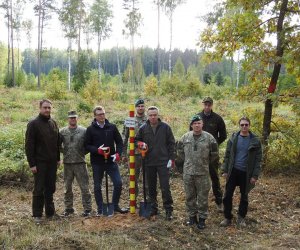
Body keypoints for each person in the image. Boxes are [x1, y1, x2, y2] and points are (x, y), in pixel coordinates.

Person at [85, 106, 128, 215]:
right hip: (97, 162)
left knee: (118, 183)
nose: (102, 116)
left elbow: (119, 142)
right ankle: (100, 208)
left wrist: (118, 153)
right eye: (99, 114)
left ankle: (115, 205)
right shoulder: (90, 129)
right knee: (97, 186)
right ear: (95, 116)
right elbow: (86, 145)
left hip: (111, 161)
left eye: (103, 113)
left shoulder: (112, 127)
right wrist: (97, 150)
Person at [177, 115, 219, 229]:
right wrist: (182, 166)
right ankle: (192, 218)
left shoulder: (209, 138)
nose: (197, 125)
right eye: (194, 123)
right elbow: (179, 152)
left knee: (202, 198)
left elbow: (215, 154)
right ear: (191, 125)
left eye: (199, 123)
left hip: (203, 173)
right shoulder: (185, 137)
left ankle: (202, 219)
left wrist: (205, 163)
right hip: (188, 173)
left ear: (202, 124)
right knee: (190, 196)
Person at [220, 117, 262, 227]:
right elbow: (227, 155)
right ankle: (227, 217)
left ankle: (241, 218)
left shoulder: (255, 141)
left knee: (244, 196)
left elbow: (258, 160)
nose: (244, 127)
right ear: (239, 125)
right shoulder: (234, 138)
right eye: (242, 124)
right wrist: (225, 170)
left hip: (246, 173)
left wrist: (255, 175)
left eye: (246, 125)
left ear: (249, 125)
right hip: (233, 171)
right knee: (227, 195)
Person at [136, 106, 175, 220]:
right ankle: (153, 208)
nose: (153, 117)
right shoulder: (143, 128)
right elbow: (136, 140)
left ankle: (168, 210)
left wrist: (171, 159)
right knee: (151, 187)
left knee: (165, 187)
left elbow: (172, 143)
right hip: (149, 162)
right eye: (151, 115)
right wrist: (140, 144)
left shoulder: (165, 127)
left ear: (158, 115)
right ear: (147, 116)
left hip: (163, 162)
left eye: (155, 115)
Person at [25, 99, 60, 223]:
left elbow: (57, 143)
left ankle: (50, 213)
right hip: (39, 163)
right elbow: (29, 145)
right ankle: (37, 215)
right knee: (39, 189)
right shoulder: (33, 124)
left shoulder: (54, 123)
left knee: (50, 188)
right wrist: (32, 164)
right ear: (40, 108)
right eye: (45, 107)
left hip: (52, 163)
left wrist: (58, 159)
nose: (47, 110)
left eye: (49, 108)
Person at [195, 97, 227, 211]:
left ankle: (219, 202)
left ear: (212, 105)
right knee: (199, 177)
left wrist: (214, 144)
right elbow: (191, 132)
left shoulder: (217, 119)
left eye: (209, 105)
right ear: (203, 105)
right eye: (205, 104)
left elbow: (223, 135)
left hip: (212, 154)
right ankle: (199, 201)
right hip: (199, 153)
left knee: (214, 177)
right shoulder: (198, 117)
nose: (207, 107)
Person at [60, 110, 92, 217]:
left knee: (84, 187)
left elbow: (88, 145)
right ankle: (69, 208)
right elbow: (57, 145)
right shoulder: (62, 131)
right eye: (71, 117)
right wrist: (64, 152)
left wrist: (82, 153)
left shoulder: (84, 131)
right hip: (67, 163)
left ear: (77, 118)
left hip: (80, 163)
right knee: (67, 187)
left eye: (74, 117)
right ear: (68, 119)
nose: (72, 119)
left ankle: (87, 209)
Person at [122, 99, 148, 202]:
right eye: (139, 106)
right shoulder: (130, 120)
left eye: (142, 106)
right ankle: (133, 201)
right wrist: (123, 153)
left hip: (147, 153)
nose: (141, 108)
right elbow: (125, 137)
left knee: (147, 179)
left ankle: (148, 201)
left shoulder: (149, 119)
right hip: (134, 154)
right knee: (133, 179)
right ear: (136, 108)